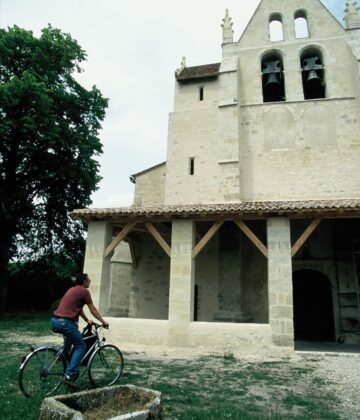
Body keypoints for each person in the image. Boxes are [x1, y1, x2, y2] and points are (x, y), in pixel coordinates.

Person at [51, 273, 109, 389]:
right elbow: (93, 309)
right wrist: (103, 321)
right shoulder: (84, 291)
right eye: (88, 279)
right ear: (84, 281)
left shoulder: (72, 290)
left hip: (55, 321)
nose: (90, 280)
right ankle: (69, 376)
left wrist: (87, 320)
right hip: (66, 323)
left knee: (69, 342)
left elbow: (77, 309)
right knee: (81, 345)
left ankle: (60, 358)